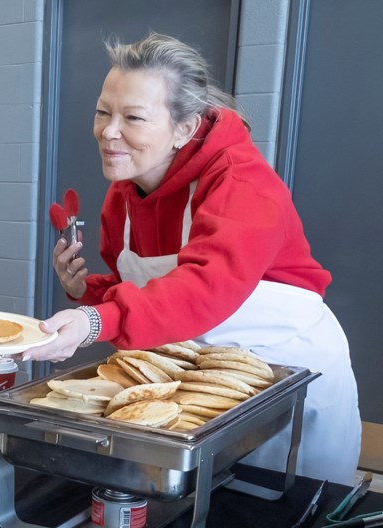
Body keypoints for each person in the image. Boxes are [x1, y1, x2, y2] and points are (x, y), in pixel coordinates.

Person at [22, 33, 361, 485]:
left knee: (282, 515)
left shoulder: (243, 184)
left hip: (288, 375)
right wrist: (89, 291)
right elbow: (152, 293)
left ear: (185, 128)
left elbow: (203, 288)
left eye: (133, 117)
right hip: (196, 378)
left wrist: (96, 320)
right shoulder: (124, 195)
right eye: (103, 112)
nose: (109, 131)